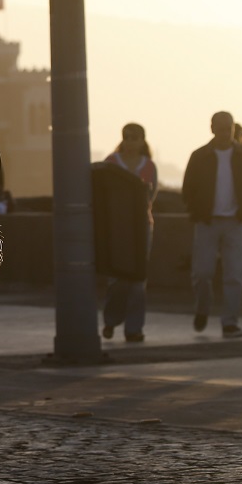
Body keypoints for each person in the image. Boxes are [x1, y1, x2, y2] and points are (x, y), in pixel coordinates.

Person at [182, 111, 242, 339]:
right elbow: (189, 188)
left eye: (229, 128)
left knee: (234, 275)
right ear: (213, 128)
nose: (226, 132)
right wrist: (196, 210)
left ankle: (230, 322)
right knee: (202, 273)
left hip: (235, 221)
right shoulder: (200, 156)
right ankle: (202, 307)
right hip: (207, 221)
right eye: (221, 127)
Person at [101, 123, 159, 343]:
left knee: (137, 280)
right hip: (116, 227)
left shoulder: (149, 166)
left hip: (142, 225)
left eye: (135, 137)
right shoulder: (111, 163)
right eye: (127, 137)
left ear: (142, 140)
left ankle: (134, 328)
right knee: (117, 278)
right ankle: (111, 319)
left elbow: (150, 197)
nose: (131, 141)